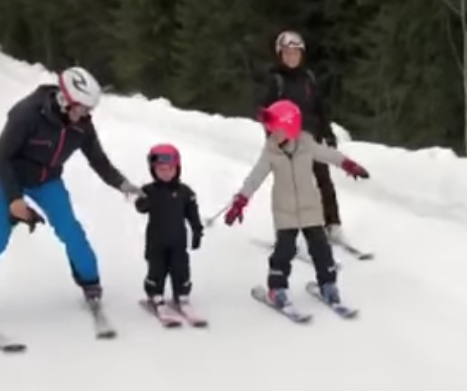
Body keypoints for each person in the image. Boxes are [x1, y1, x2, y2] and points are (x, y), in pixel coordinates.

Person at [0, 66, 142, 319]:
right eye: (83, 108)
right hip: (10, 178)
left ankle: (90, 282)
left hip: (47, 180)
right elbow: (1, 158)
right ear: (65, 101)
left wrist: (121, 183)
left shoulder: (82, 125)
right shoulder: (26, 114)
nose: (87, 115)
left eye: (90, 110)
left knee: (71, 230)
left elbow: (98, 160)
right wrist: (14, 199)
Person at [224, 100, 369, 309]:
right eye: (270, 129)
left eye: (275, 128)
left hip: (310, 207)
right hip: (285, 211)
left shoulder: (307, 144)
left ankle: (328, 285)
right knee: (284, 251)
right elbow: (255, 177)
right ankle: (277, 289)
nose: (272, 133)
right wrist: (241, 200)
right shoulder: (270, 151)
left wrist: (348, 165)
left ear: (290, 126)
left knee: (321, 249)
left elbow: (329, 154)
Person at [260, 30, 344, 243]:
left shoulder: (308, 78)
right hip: (286, 142)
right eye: (287, 53)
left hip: (311, 138)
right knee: (290, 188)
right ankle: (286, 232)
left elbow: (319, 107)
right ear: (280, 54)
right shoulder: (275, 80)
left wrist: (328, 133)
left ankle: (332, 223)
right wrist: (274, 138)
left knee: (323, 180)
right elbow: (265, 113)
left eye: (295, 52)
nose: (291, 57)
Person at [135, 144, 203, 315]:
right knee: (157, 268)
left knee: (181, 267)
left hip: (178, 240)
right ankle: (155, 294)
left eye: (170, 169)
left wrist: (197, 230)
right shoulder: (148, 191)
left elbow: (192, 214)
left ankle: (182, 295)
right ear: (153, 170)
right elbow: (140, 206)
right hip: (156, 240)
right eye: (161, 169)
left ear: (177, 169)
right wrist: (143, 202)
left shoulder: (185, 192)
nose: (166, 173)